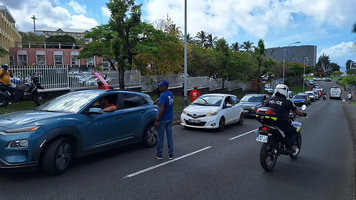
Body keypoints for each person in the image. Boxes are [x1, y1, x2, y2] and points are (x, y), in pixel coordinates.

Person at [264, 84, 307, 154]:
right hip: (281, 123)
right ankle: (289, 147)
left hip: (270, 122)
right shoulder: (287, 102)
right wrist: (303, 114)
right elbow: (296, 111)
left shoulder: (269, 100)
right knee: (294, 132)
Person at [155, 80, 174, 160]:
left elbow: (162, 109)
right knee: (169, 137)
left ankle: (159, 154)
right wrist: (158, 100)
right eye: (159, 86)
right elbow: (166, 100)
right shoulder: (170, 94)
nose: (159, 87)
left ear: (165, 87)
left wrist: (157, 119)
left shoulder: (163, 95)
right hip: (169, 118)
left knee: (160, 137)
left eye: (161, 86)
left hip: (163, 119)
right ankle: (171, 154)